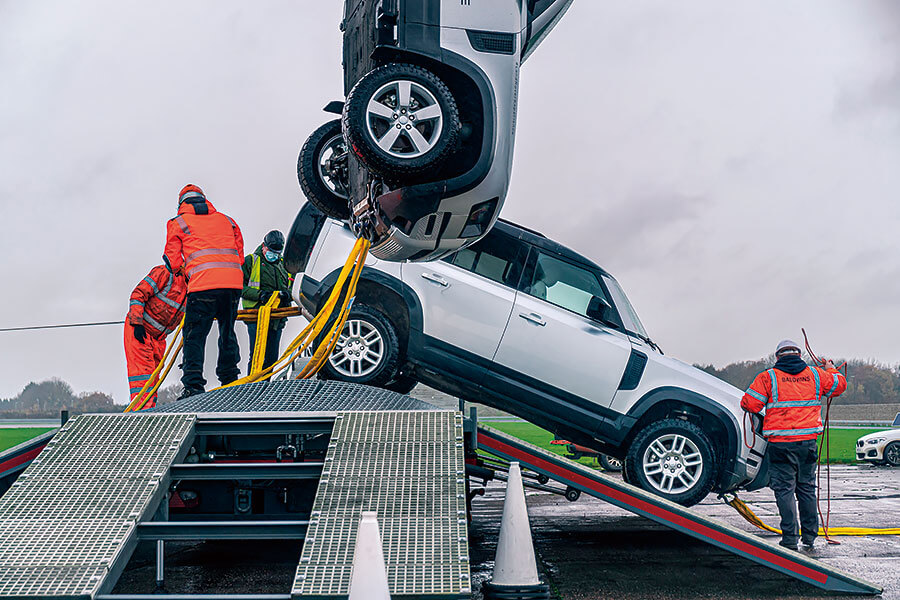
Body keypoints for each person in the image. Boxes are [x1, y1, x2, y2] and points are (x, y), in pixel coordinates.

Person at [741, 339, 847, 551]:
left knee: (784, 490)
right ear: (799, 355)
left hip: (780, 444)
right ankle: (809, 537)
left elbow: (749, 403)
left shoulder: (768, 377)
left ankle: (790, 538)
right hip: (807, 444)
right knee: (806, 489)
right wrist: (831, 368)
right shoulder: (816, 375)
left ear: (778, 356)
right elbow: (840, 385)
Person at [164, 184, 244, 398]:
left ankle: (193, 385)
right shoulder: (228, 220)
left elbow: (172, 262)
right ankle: (229, 379)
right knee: (227, 332)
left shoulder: (178, 223)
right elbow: (240, 255)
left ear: (181, 203)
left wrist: (186, 270)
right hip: (232, 284)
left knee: (194, 335)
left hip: (202, 286)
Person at [124, 264, 187, 408]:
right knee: (142, 379)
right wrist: (137, 322)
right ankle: (141, 414)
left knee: (153, 379)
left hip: (159, 338)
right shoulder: (165, 273)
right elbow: (138, 294)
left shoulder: (191, 287)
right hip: (140, 331)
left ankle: (147, 411)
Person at [241, 230, 293, 371]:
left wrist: (287, 295)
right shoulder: (251, 261)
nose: (274, 255)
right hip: (256, 316)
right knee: (257, 356)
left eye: (277, 253)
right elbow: (239, 286)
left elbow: (292, 284)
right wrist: (260, 295)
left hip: (277, 318)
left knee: (271, 358)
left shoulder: (284, 264)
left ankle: (266, 388)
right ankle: (253, 388)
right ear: (264, 246)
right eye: (271, 251)